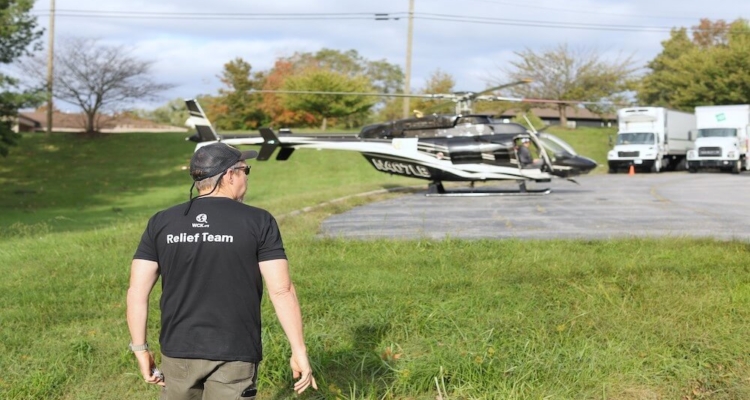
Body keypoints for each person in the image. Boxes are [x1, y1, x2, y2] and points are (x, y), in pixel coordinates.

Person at [126, 142, 317, 399]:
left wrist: (140, 349)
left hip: (178, 350)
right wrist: (299, 351)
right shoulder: (259, 221)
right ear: (229, 175)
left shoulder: (162, 221)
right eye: (245, 170)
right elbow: (281, 290)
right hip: (234, 351)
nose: (246, 178)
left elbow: (137, 291)